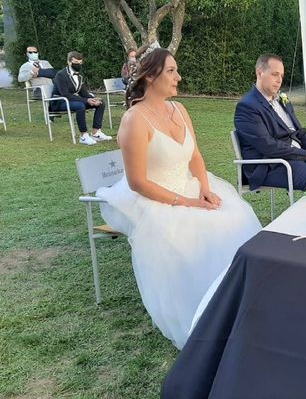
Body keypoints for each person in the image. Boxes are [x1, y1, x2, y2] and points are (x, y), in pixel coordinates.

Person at [96, 47, 261, 349]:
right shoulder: (135, 120)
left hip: (189, 186)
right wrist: (187, 202)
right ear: (150, 76)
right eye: (171, 71)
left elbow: (195, 155)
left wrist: (205, 187)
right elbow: (137, 182)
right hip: (154, 196)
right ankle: (205, 312)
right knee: (190, 233)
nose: (178, 77)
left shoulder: (180, 110)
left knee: (234, 217)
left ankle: (243, 302)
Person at [234, 53, 306, 191]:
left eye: (281, 75)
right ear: (260, 73)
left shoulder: (282, 100)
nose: (279, 80)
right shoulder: (247, 106)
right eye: (275, 74)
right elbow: (268, 146)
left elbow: (299, 132)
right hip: (269, 165)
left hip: (295, 157)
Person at [51, 51, 112, 145]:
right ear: (69, 62)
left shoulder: (79, 75)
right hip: (60, 102)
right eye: (76, 62)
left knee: (101, 103)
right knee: (80, 105)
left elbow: (83, 93)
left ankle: (96, 132)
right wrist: (86, 100)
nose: (78, 65)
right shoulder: (61, 75)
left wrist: (93, 98)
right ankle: (83, 136)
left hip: (72, 100)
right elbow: (65, 95)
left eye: (80, 63)